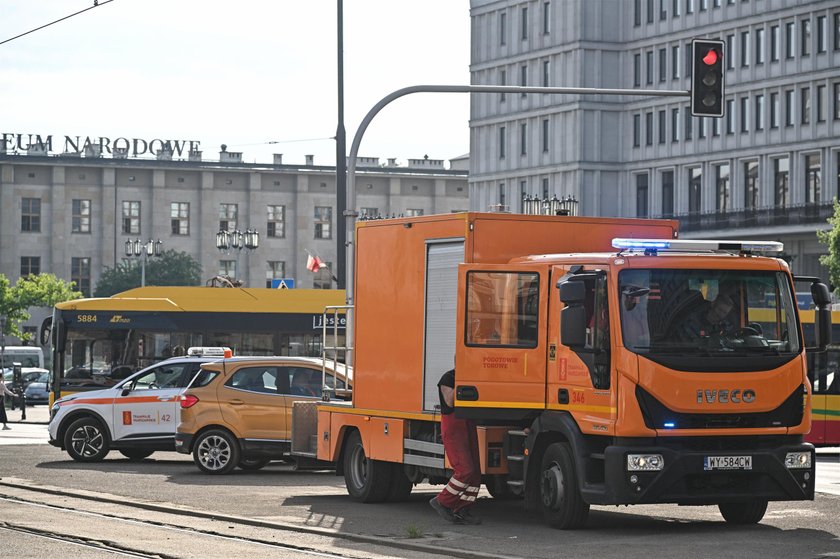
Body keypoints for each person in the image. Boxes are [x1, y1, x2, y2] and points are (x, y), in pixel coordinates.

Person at [429, 368, 482, 525]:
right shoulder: (447, 378)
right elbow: (450, 401)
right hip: (453, 427)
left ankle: (463, 509)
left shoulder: (475, 375)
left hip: (468, 424)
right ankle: (442, 501)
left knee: (475, 472)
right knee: (465, 470)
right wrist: (462, 380)